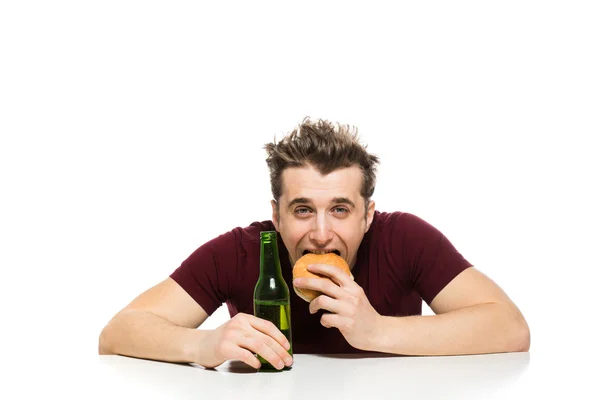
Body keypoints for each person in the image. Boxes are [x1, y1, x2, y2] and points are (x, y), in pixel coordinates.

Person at [99, 117, 530, 370]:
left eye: (340, 210)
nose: (321, 234)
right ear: (276, 214)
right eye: (303, 209)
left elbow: (510, 328)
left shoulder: (406, 239)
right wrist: (202, 346)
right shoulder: (242, 251)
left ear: (368, 214)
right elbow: (118, 331)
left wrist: (378, 329)